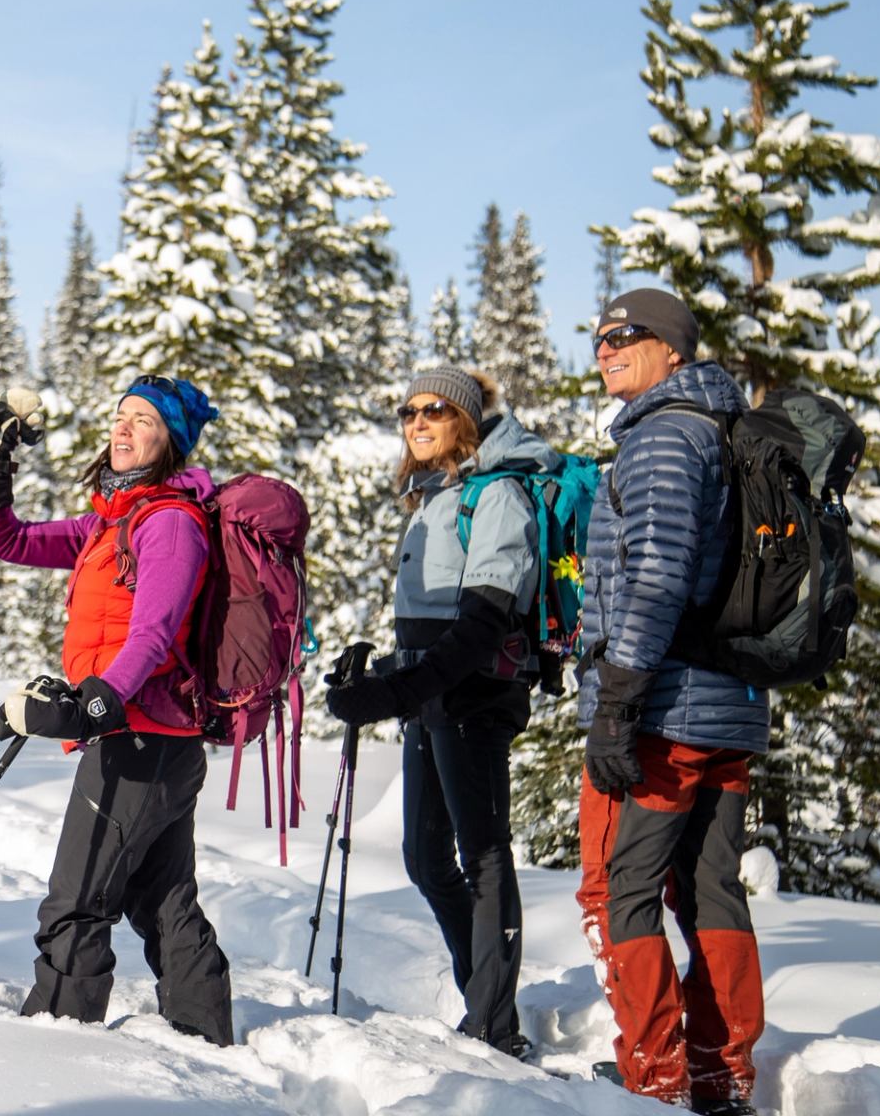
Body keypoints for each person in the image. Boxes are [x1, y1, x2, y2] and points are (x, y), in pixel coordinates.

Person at [0, 373, 235, 1047]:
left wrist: (97, 702)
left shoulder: (168, 524)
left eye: (146, 420)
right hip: (155, 741)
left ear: (172, 443)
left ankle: (56, 1046)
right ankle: (205, 1037)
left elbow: (153, 634)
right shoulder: (113, 522)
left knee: (76, 901)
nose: (124, 427)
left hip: (141, 739)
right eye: (121, 414)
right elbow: (8, 541)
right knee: (162, 900)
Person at [325, 366, 557, 1061]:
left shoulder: (498, 494)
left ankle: (496, 1023)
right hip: (433, 691)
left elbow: (483, 622)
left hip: (476, 693)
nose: (418, 421)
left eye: (435, 410)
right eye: (408, 411)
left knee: (482, 855)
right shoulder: (436, 495)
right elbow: (430, 622)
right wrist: (387, 672)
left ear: (466, 418)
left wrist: (401, 689)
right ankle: (481, 995)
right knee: (426, 858)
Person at [574, 288, 763, 1116]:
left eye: (628, 335)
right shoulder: (721, 428)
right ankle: (724, 1071)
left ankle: (655, 1075)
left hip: (666, 707)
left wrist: (618, 697)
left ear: (674, 351)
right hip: (730, 703)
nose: (608, 348)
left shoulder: (661, 439)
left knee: (627, 890)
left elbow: (655, 574)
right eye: (601, 337)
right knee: (715, 889)